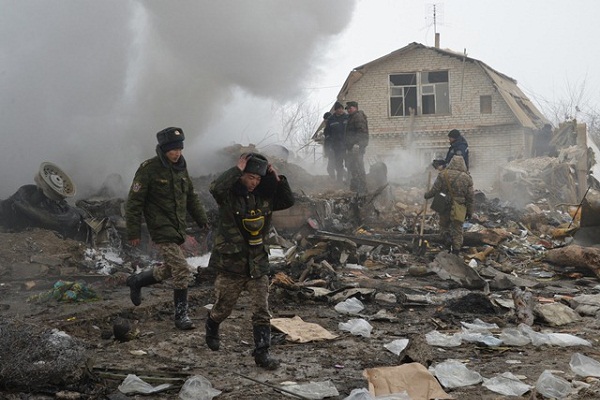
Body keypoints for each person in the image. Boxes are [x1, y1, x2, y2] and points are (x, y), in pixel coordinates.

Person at [205, 153, 294, 370]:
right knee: (223, 308)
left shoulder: (264, 198)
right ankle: (212, 324)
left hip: (257, 263)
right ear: (242, 176)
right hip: (232, 264)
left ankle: (262, 352)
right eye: (250, 177)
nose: (254, 182)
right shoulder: (229, 197)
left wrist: (276, 177)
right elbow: (215, 188)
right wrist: (236, 169)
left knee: (261, 310)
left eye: (258, 178)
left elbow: (287, 200)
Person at [125, 127, 209, 330]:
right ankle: (181, 316)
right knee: (181, 269)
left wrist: (202, 219)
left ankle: (137, 281)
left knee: (171, 269)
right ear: (163, 150)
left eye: (179, 149)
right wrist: (133, 232)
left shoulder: (181, 168)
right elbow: (134, 202)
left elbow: (190, 196)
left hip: (177, 226)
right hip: (160, 227)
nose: (177, 153)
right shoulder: (148, 169)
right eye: (172, 150)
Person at [424, 155, 473, 254]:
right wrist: (469, 211)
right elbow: (470, 197)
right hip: (459, 206)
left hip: (444, 204)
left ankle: (446, 238)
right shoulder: (467, 178)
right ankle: (456, 251)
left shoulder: (443, 174)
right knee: (457, 229)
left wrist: (427, 195)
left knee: (443, 225)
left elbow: (435, 190)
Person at [344, 101, 368, 193]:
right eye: (347, 109)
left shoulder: (358, 117)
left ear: (355, 108)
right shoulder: (351, 117)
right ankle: (355, 188)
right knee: (353, 167)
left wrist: (358, 144)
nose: (348, 110)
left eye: (350, 108)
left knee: (358, 167)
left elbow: (362, 132)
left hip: (357, 147)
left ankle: (362, 189)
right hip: (352, 147)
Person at [323, 102, 348, 183]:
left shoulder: (347, 118)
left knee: (349, 164)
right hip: (336, 147)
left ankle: (349, 180)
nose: (340, 110)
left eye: (341, 108)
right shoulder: (331, 120)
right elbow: (327, 134)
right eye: (338, 109)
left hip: (347, 145)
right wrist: (329, 148)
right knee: (338, 165)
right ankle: (339, 181)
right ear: (335, 110)